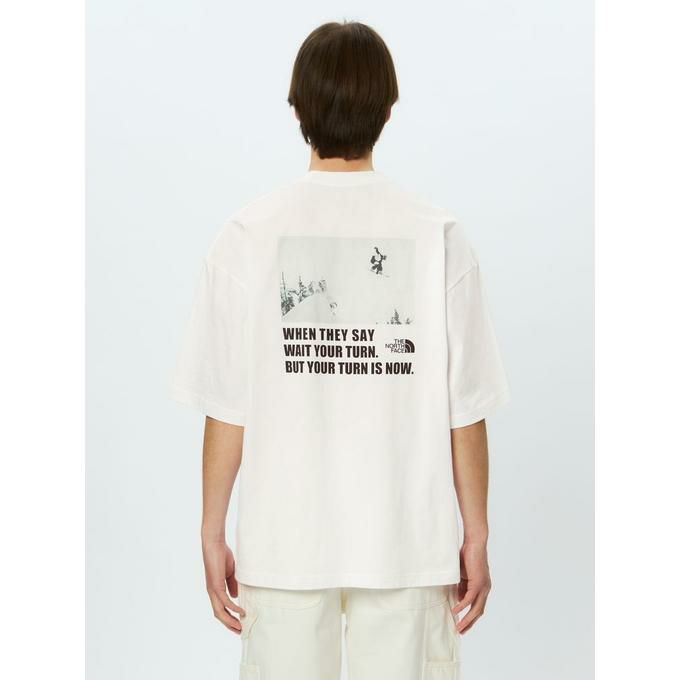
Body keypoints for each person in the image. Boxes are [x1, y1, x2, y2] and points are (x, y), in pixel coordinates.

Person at [172, 20, 508, 680]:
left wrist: (212, 530)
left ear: (296, 108)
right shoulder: (438, 236)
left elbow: (227, 407)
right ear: (389, 108)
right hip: (406, 539)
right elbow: (464, 411)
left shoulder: (248, 235)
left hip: (285, 538)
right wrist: (476, 532)